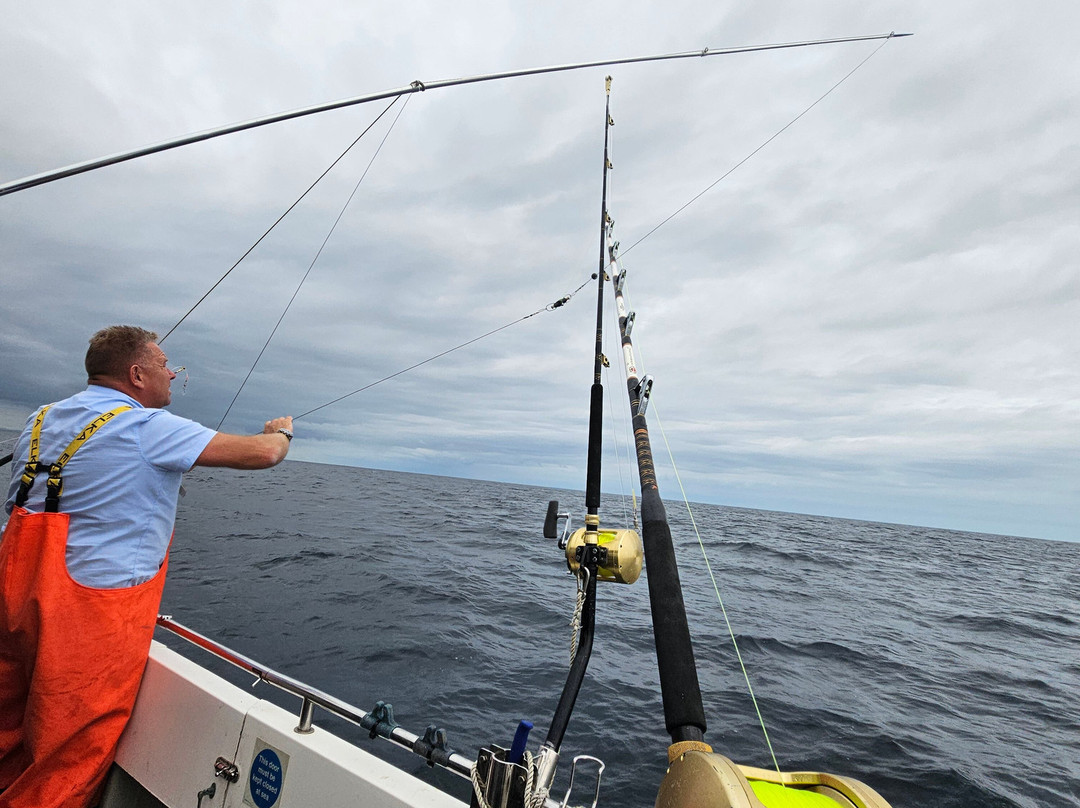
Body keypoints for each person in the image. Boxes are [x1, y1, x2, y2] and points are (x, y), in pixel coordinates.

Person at [0, 325, 295, 808]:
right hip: (89, 617)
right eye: (164, 365)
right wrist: (279, 431)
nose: (173, 375)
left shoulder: (41, 417)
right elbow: (264, 455)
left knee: (6, 720)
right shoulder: (147, 427)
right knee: (70, 751)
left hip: (12, 595)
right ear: (136, 374)